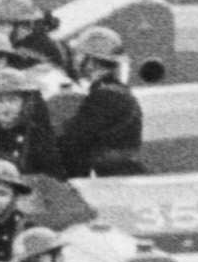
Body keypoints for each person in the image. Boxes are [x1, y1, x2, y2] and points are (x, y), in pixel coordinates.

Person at [56, 25, 146, 179]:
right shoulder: (114, 91)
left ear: (91, 61)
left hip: (111, 178)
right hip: (118, 174)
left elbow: (75, 139)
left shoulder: (105, 97)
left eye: (80, 55)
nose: (75, 60)